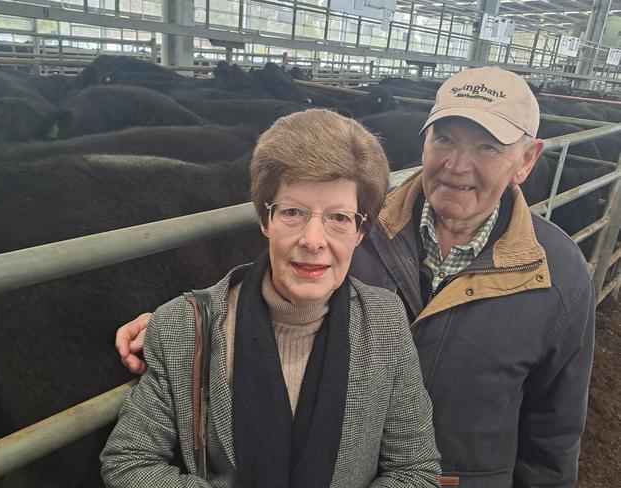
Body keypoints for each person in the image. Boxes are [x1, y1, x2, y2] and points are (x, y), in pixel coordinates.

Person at [116, 67, 596, 487]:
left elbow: (553, 430)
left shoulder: (558, 273)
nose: (457, 166)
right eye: (444, 139)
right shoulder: (356, 217)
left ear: (528, 160)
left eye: (487, 147)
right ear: (424, 138)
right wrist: (181, 321)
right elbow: (270, 278)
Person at [101, 109, 441, 487]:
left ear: (361, 231)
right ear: (265, 220)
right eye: (292, 212)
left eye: (339, 218)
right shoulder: (184, 327)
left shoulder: (385, 322)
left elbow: (415, 470)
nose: (313, 240)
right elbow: (128, 460)